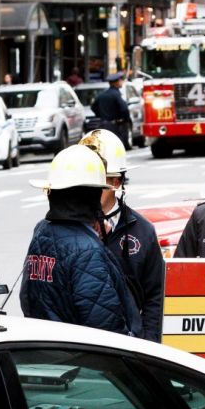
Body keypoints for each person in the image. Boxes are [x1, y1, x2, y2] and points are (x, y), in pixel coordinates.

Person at [20, 144, 143, 337]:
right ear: (91, 196)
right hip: (79, 360)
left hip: (46, 350)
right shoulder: (87, 250)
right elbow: (106, 330)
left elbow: (27, 298)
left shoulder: (42, 232)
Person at [82, 128, 165, 342]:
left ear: (116, 182)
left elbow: (154, 296)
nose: (88, 189)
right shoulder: (66, 230)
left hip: (128, 344)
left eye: (96, 181)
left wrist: (149, 344)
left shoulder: (143, 231)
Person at [90, 72, 131, 150]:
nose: (122, 82)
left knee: (106, 147)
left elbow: (93, 107)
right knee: (117, 148)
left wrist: (101, 115)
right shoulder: (116, 95)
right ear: (116, 82)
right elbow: (124, 109)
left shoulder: (102, 94)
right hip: (115, 126)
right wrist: (125, 120)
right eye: (121, 80)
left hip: (103, 125)